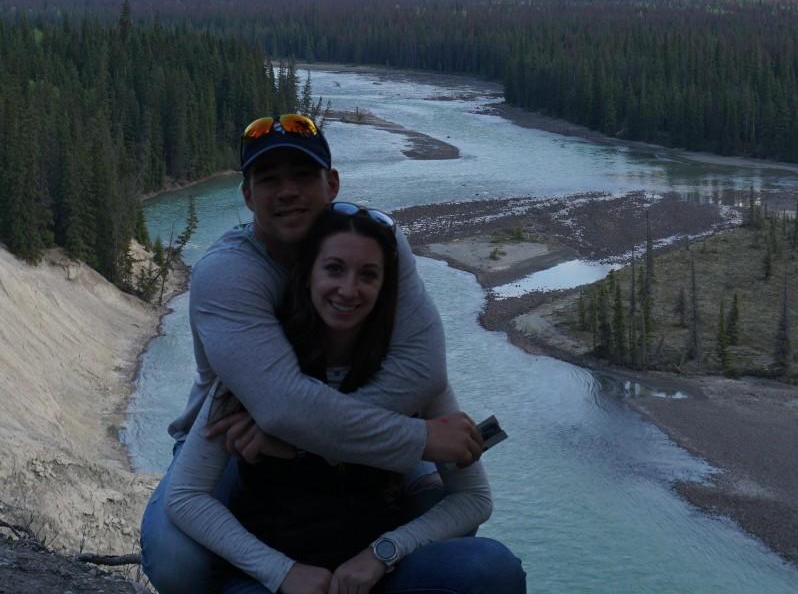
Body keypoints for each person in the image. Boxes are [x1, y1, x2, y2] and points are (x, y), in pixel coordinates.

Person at [141, 114, 484, 594]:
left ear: (333, 184)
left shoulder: (376, 243)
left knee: (460, 538)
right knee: (178, 562)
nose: (287, 192)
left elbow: (422, 370)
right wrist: (416, 440)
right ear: (246, 196)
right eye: (269, 180)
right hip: (238, 444)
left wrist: (301, 442)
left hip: (315, 428)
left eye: (303, 176)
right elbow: (280, 406)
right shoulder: (228, 273)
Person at [165, 204, 525, 594]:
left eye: (368, 275)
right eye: (334, 269)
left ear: (386, 287)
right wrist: (280, 572)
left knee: (492, 568)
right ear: (307, 276)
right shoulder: (260, 371)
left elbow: (473, 498)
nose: (349, 289)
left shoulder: (410, 375)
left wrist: (382, 554)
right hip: (274, 579)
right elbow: (186, 497)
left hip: (373, 574)